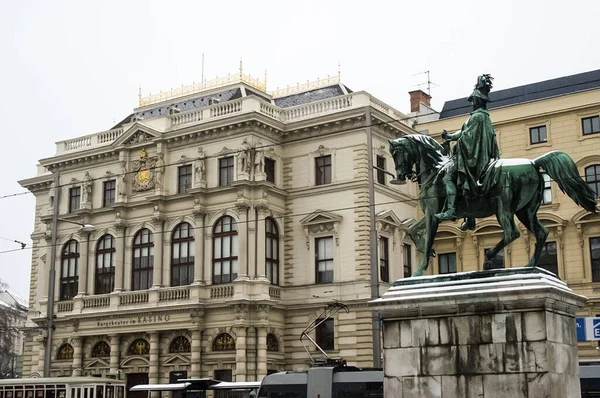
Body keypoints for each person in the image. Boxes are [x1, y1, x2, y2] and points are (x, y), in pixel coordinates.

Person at [435, 74, 500, 231]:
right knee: (465, 185)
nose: (472, 103)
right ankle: (470, 220)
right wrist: (450, 136)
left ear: (477, 101)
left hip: (474, 158)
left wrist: (455, 144)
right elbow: (464, 132)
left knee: (448, 177)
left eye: (473, 100)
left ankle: (450, 210)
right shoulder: (482, 117)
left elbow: (467, 137)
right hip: (480, 156)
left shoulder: (477, 117)